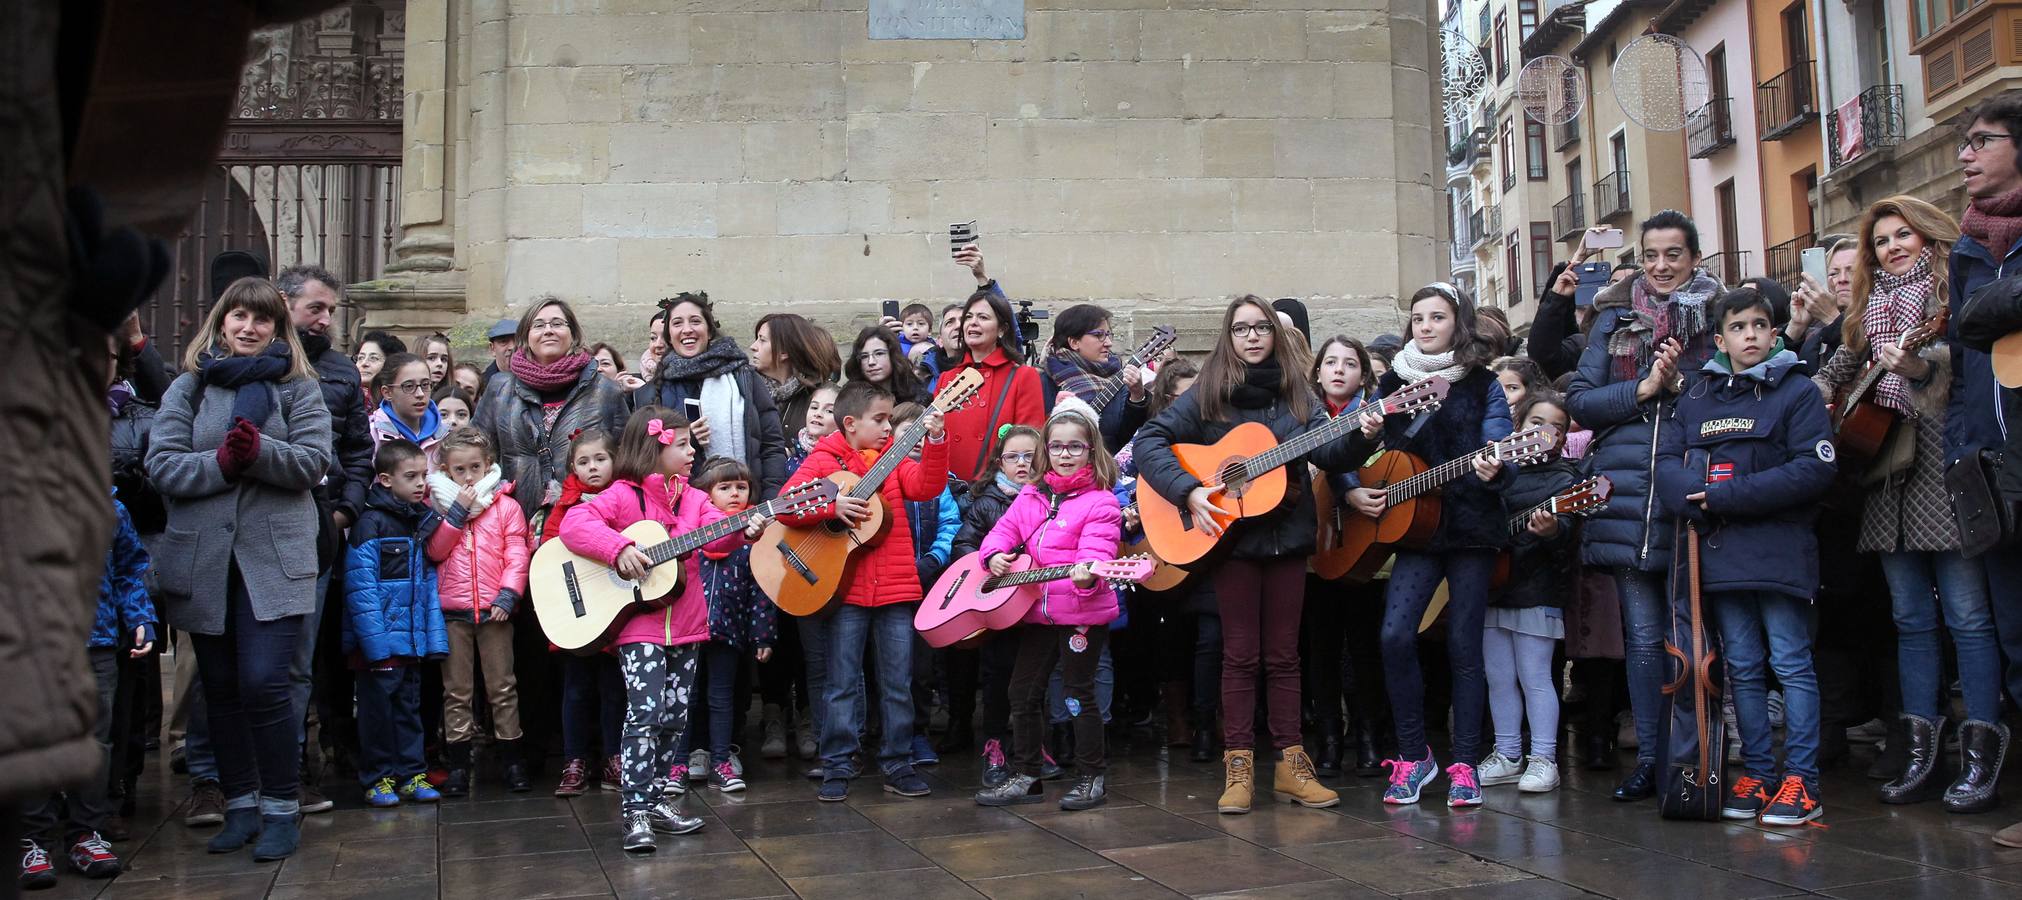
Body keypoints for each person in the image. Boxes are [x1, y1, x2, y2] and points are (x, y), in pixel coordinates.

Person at [1135, 294, 1360, 815]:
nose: (1253, 336)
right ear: (1228, 337)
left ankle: (1290, 765)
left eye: (1261, 328)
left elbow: (1328, 451)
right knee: (1239, 654)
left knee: (1283, 655)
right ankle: (1238, 766)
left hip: (1288, 537)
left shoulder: (1298, 394)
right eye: (1241, 329)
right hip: (1231, 539)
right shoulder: (1209, 394)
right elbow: (1150, 440)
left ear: (1275, 336)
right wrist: (1188, 490)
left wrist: (1361, 434)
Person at [1816, 196, 2003, 811]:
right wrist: (1815, 398)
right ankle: (1922, 751)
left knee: (1969, 619)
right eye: (1881, 240)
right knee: (1909, 622)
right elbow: (1831, 371)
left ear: (1928, 238)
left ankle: (1980, 756)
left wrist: (1921, 367)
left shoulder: (1950, 297)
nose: (1893, 246)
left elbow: (1968, 373)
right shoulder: (1867, 310)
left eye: (1904, 235)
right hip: (1884, 480)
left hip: (1944, 473)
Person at [146, 277, 334, 862]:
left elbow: (313, 462)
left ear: (278, 329)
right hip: (203, 561)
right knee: (220, 690)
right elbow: (162, 465)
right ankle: (240, 805)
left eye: (262, 320)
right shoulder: (189, 388)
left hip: (274, 562)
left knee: (264, 684)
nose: (249, 328)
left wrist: (261, 455)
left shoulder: (298, 388)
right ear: (221, 322)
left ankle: (281, 807)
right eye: (239, 317)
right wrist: (224, 462)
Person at [1655, 286, 1837, 825]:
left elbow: (1815, 468)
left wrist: (1726, 496)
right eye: (1738, 328)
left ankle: (1803, 782)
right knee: (1742, 668)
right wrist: (1691, 496)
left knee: (1791, 664)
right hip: (1719, 551)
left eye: (1759, 325)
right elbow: (1666, 460)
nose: (1750, 335)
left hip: (1779, 551)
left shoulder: (1797, 390)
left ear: (1775, 333)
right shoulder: (1697, 395)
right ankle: (1758, 772)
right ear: (1720, 339)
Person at [1563, 209, 1726, 802]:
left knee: (1700, 638)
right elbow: (1580, 400)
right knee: (1642, 636)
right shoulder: (1612, 318)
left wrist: (1683, 387)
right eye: (1651, 255)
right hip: (1627, 495)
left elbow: (1736, 392)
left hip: (1695, 490)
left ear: (1694, 259)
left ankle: (1699, 757)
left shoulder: (1719, 316)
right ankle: (1653, 762)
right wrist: (1644, 389)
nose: (1661, 267)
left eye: (1673, 255)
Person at [557, 408, 769, 853]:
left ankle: (655, 802)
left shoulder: (693, 499)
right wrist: (618, 548)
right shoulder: (621, 494)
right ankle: (634, 809)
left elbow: (715, 539)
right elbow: (576, 525)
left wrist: (743, 531)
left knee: (674, 719)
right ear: (655, 448)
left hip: (688, 624)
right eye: (682, 445)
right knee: (645, 714)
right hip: (639, 626)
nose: (692, 452)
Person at [1362, 284, 1514, 807]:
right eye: (1418, 317)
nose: (1426, 326)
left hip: (1471, 527)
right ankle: (1414, 756)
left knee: (1463, 646)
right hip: (1414, 530)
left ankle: (1465, 763)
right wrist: (1365, 457)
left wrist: (1497, 464)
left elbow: (1500, 441)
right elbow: (1368, 453)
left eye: (1438, 317)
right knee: (1394, 636)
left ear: (1459, 323)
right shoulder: (1391, 380)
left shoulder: (1482, 383)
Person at [473, 296, 630, 776]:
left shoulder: (603, 390)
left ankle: (595, 750)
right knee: (524, 643)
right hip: (516, 532)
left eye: (558, 323)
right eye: (538, 324)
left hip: (582, 529)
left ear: (573, 333)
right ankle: (530, 749)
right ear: (524, 336)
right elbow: (482, 452)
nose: (548, 330)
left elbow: (622, 459)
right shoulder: (499, 389)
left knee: (587, 636)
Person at [773, 382, 950, 803]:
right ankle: (837, 763)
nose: (888, 427)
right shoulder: (822, 459)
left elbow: (927, 486)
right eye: (880, 419)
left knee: (896, 682)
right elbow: (784, 504)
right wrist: (829, 508)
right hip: (844, 588)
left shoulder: (892, 460)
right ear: (850, 424)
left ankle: (898, 762)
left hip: (895, 587)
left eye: (891, 418)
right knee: (841, 682)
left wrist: (937, 439)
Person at [971, 398, 1124, 811]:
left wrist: (1088, 575)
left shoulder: (1102, 502)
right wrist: (993, 556)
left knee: (1077, 694)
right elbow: (1001, 533)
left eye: (1075, 447)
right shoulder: (1031, 496)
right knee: (1022, 692)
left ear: (1091, 450)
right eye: (1056, 447)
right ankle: (1026, 775)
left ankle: (1092, 776)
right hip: (1037, 611)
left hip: (1082, 615)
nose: (1065, 455)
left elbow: (1099, 551)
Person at [1944, 93, 2022, 838]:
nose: (1965, 154)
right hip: (1992, 467)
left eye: (1981, 140)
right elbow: (1968, 344)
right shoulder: (1967, 246)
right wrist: (1960, 454)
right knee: (2014, 637)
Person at [17, 493, 156, 888]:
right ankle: (32, 839)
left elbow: (129, 568)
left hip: (95, 641)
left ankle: (85, 832)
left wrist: (139, 616)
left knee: (95, 739)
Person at [276, 264, 374, 816]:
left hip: (322, 529)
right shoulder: (258, 362)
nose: (326, 319)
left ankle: (299, 768)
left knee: (308, 657)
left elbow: (358, 450)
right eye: (316, 308)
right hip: (263, 527)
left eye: (332, 310)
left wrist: (344, 511)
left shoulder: (339, 372)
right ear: (285, 303)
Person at [1477, 390, 1579, 795]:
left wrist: (1556, 531)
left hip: (1537, 589)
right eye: (1537, 422)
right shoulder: (1499, 471)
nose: (1544, 432)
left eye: (1556, 427)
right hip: (1494, 585)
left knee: (1535, 676)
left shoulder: (1567, 480)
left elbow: (1570, 538)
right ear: (1518, 426)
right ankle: (1506, 753)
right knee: (1499, 676)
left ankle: (1544, 758)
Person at [341, 439, 448, 809]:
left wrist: (430, 638)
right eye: (411, 477)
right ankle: (378, 776)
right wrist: (374, 646)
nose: (421, 483)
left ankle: (411, 772)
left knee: (409, 709)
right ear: (385, 480)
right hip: (380, 644)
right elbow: (361, 588)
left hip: (410, 641)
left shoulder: (418, 520)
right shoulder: (371, 524)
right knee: (376, 713)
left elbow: (425, 585)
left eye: (424, 475)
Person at [426, 427, 532, 796]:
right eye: (459, 470)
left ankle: (512, 759)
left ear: (488, 466)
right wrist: (455, 515)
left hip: (494, 611)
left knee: (502, 687)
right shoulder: (436, 506)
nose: (468, 476)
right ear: (445, 470)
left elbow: (517, 554)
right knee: (456, 690)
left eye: (475, 467)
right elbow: (435, 552)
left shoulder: (506, 507)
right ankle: (458, 763)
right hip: (452, 611)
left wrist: (508, 594)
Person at [670, 458, 778, 795]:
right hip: (689, 631)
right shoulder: (695, 536)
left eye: (741, 487)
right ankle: (678, 763)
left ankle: (721, 760)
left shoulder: (750, 542)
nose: (735, 493)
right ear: (707, 495)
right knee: (685, 698)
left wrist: (762, 635)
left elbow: (762, 591)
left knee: (722, 698)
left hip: (729, 633)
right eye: (725, 487)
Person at [946, 424, 1044, 785]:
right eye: (1013, 457)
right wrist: (989, 560)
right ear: (999, 463)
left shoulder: (1050, 499)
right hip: (1001, 610)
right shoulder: (986, 502)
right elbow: (963, 545)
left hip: (1037, 605)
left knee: (1034, 680)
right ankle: (995, 746)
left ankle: (1030, 748)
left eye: (1030, 456)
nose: (1022, 463)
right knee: (998, 677)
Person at [1307, 336, 1381, 777]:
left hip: (1364, 548)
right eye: (1330, 362)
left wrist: (1348, 485)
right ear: (1316, 372)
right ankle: (1329, 740)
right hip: (1314, 550)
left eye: (1349, 363)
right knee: (1321, 649)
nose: (1338, 370)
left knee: (1365, 648)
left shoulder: (1374, 416)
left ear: (1363, 375)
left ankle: (1370, 737)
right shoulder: (1303, 418)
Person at [634, 291, 789, 501]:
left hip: (751, 508)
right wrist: (687, 441)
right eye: (678, 323)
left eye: (696, 321)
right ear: (669, 335)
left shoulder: (745, 377)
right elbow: (643, 459)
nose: (687, 329)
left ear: (709, 330)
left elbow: (772, 444)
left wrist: (770, 501)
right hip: (687, 513)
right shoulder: (652, 393)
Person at [544, 428, 625, 797]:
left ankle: (613, 757)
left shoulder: (624, 499)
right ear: (571, 466)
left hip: (613, 614)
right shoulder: (565, 506)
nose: (593, 467)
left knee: (614, 689)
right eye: (584, 461)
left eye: (600, 459)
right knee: (576, 689)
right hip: (578, 613)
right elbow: (550, 555)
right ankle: (574, 759)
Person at [935, 290, 1047, 482]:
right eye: (968, 317)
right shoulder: (947, 379)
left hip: (997, 492)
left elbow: (1029, 444)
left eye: (983, 317)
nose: (973, 322)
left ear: (1002, 329)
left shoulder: (1023, 376)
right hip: (950, 491)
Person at [1043, 304, 1149, 450]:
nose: (1109, 343)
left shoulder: (1117, 377)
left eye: (1108, 334)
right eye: (1099, 335)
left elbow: (1125, 438)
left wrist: (1137, 396)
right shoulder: (1046, 380)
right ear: (1074, 342)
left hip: (1106, 469)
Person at [750, 312, 843, 441]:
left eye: (762, 340)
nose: (753, 347)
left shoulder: (816, 395)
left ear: (784, 352)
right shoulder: (746, 389)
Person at [368, 353, 446, 466]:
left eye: (425, 385)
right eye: (409, 386)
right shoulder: (371, 435)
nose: (420, 394)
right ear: (387, 392)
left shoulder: (445, 436)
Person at [846, 325, 929, 404]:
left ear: (892, 355)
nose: (871, 362)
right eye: (864, 356)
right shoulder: (849, 397)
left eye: (879, 354)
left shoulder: (917, 394)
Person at [352, 330, 406, 402]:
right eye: (360, 358)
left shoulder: (401, 401)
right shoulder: (346, 397)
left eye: (373, 358)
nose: (364, 363)